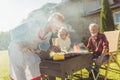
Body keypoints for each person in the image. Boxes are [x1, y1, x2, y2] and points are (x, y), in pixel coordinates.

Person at [8, 12, 64, 80]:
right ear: (52, 21)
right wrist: (21, 46)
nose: (60, 27)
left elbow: (43, 45)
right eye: (59, 24)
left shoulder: (49, 34)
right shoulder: (35, 23)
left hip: (29, 51)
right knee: (19, 75)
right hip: (16, 49)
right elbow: (14, 32)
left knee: (34, 68)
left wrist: (51, 48)